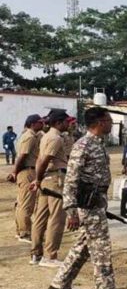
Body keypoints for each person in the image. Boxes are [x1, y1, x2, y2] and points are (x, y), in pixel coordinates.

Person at [47, 106, 127, 289]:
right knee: (101, 247)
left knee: (83, 246)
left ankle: (59, 285)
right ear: (100, 122)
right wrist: (71, 210)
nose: (111, 123)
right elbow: (71, 180)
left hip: (96, 202)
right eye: (109, 120)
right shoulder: (82, 145)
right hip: (88, 204)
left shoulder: (98, 144)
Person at [29, 111, 71, 267]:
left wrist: (38, 179)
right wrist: (38, 179)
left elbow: (40, 159)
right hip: (55, 179)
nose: (68, 124)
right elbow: (45, 159)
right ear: (59, 123)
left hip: (46, 178)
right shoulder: (55, 138)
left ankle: (36, 254)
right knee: (57, 218)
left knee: (40, 217)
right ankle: (50, 256)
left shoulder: (45, 136)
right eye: (66, 121)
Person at [7, 114, 44, 243]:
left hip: (27, 170)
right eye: (40, 122)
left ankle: (21, 231)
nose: (43, 124)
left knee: (22, 203)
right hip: (28, 171)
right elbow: (22, 156)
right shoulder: (29, 137)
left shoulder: (31, 135)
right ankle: (25, 232)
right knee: (26, 204)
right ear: (33, 124)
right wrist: (14, 172)